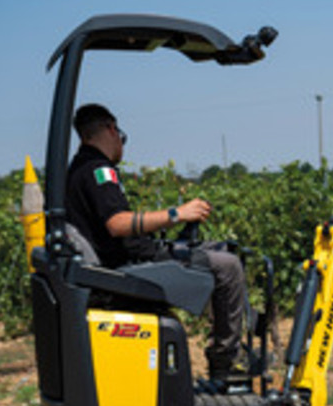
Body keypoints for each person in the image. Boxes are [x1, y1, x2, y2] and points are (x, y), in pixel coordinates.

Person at [66, 103, 247, 383]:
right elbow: (117, 224)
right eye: (121, 137)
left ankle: (226, 350)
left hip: (124, 263)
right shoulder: (97, 170)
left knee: (222, 250)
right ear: (111, 129)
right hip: (127, 267)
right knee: (228, 266)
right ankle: (224, 365)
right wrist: (177, 214)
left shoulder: (80, 169)